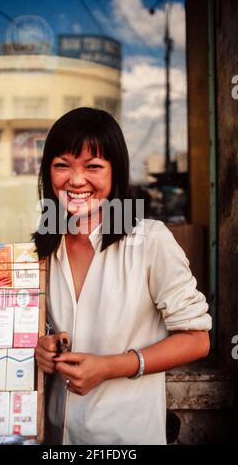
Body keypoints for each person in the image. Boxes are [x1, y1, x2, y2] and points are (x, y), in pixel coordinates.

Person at [34, 107, 211, 445]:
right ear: (47, 172)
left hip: (127, 436)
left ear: (116, 174)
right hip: (55, 435)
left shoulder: (149, 240)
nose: (75, 180)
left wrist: (111, 366)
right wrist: (43, 348)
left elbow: (197, 339)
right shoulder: (43, 248)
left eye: (93, 166)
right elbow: (43, 330)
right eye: (62, 165)